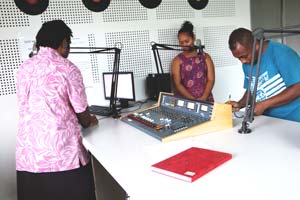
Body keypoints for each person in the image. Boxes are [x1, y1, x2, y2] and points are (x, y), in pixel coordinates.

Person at [16, 20, 98, 200]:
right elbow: (82, 114)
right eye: (68, 43)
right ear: (63, 42)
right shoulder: (67, 68)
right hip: (62, 158)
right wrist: (91, 120)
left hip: (29, 157)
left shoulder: (24, 68)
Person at [228, 27, 300, 122]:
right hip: (268, 120)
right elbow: (252, 90)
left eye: (244, 56)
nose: (243, 61)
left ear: (256, 45)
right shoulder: (247, 63)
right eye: (238, 58)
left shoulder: (281, 53)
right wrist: (240, 104)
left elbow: (297, 88)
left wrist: (264, 104)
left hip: (293, 120)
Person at [171, 21, 215, 102]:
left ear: (194, 37)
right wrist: (192, 99)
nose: (184, 45)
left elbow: (211, 80)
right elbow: (177, 84)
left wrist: (204, 97)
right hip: (185, 100)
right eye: (181, 42)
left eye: (187, 41)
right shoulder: (177, 61)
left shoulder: (206, 57)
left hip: (206, 99)